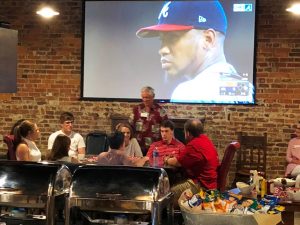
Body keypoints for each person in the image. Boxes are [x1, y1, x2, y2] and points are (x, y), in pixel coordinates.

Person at [136, 1, 254, 104]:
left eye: (173, 38)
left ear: (208, 39)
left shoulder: (188, 92)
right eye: (162, 40)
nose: (162, 50)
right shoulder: (245, 87)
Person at [164, 119, 219, 206]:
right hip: (211, 183)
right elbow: (185, 159)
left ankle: (171, 217)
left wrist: (166, 159)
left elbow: (177, 162)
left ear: (188, 133)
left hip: (202, 186)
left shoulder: (193, 145)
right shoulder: (206, 140)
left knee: (168, 194)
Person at [129, 86, 168, 155]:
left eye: (147, 97)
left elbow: (167, 127)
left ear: (153, 96)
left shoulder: (160, 111)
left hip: (155, 147)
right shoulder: (136, 109)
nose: (145, 100)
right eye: (143, 97)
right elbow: (130, 125)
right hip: (138, 146)